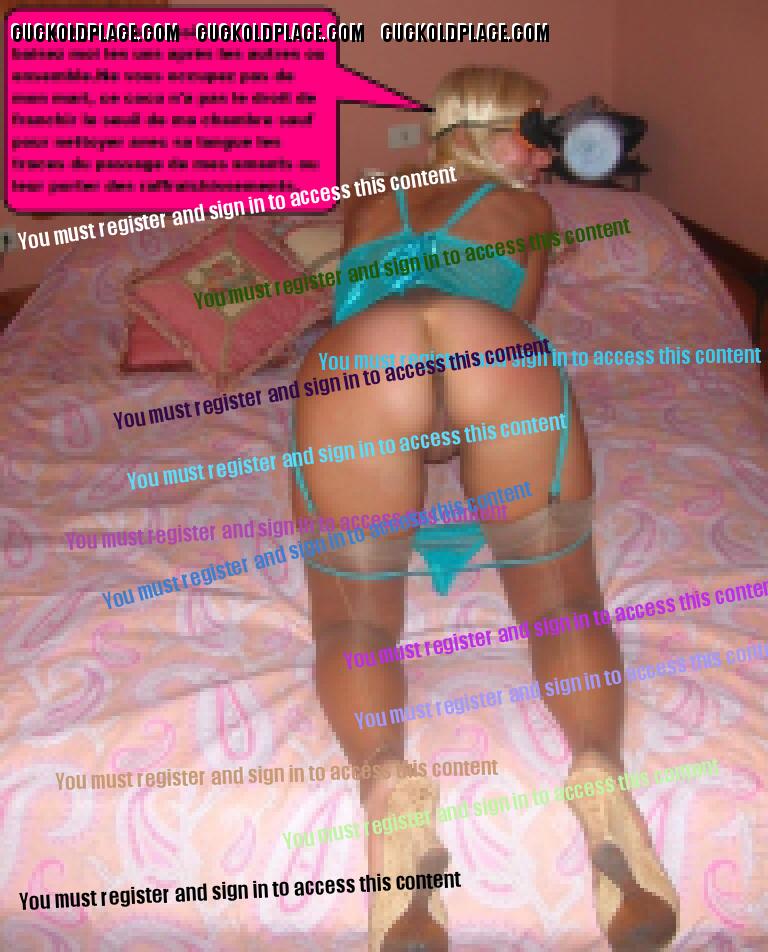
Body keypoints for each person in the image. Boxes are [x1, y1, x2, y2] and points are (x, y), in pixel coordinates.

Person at [291, 66, 679, 951]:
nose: (545, 157)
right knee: (566, 600)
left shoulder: (369, 199)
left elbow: (355, 304)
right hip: (488, 346)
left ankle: (391, 802)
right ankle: (602, 782)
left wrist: (415, 436)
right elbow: (516, 323)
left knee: (353, 622)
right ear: (479, 131)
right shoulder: (530, 214)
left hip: (363, 356)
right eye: (534, 135)